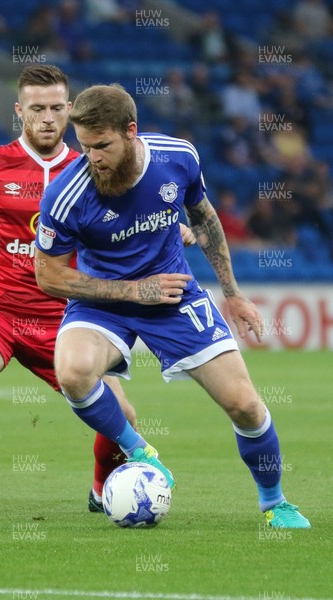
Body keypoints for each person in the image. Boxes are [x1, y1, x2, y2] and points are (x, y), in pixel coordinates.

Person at [0, 65, 195, 515]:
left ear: (69, 110)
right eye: (36, 108)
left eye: (55, 108)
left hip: (69, 317)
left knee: (122, 415)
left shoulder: (91, 171)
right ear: (19, 111)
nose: (47, 118)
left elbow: (135, 216)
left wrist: (172, 226)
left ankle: (101, 490)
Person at [34, 84, 311, 529]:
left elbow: (202, 216)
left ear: (131, 131)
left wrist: (233, 293)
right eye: (84, 147)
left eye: (102, 146)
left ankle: (274, 501)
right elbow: (47, 275)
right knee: (72, 371)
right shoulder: (67, 193)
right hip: (105, 300)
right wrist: (131, 291)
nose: (93, 158)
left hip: (172, 294)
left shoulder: (177, 157)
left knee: (244, 404)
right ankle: (142, 451)